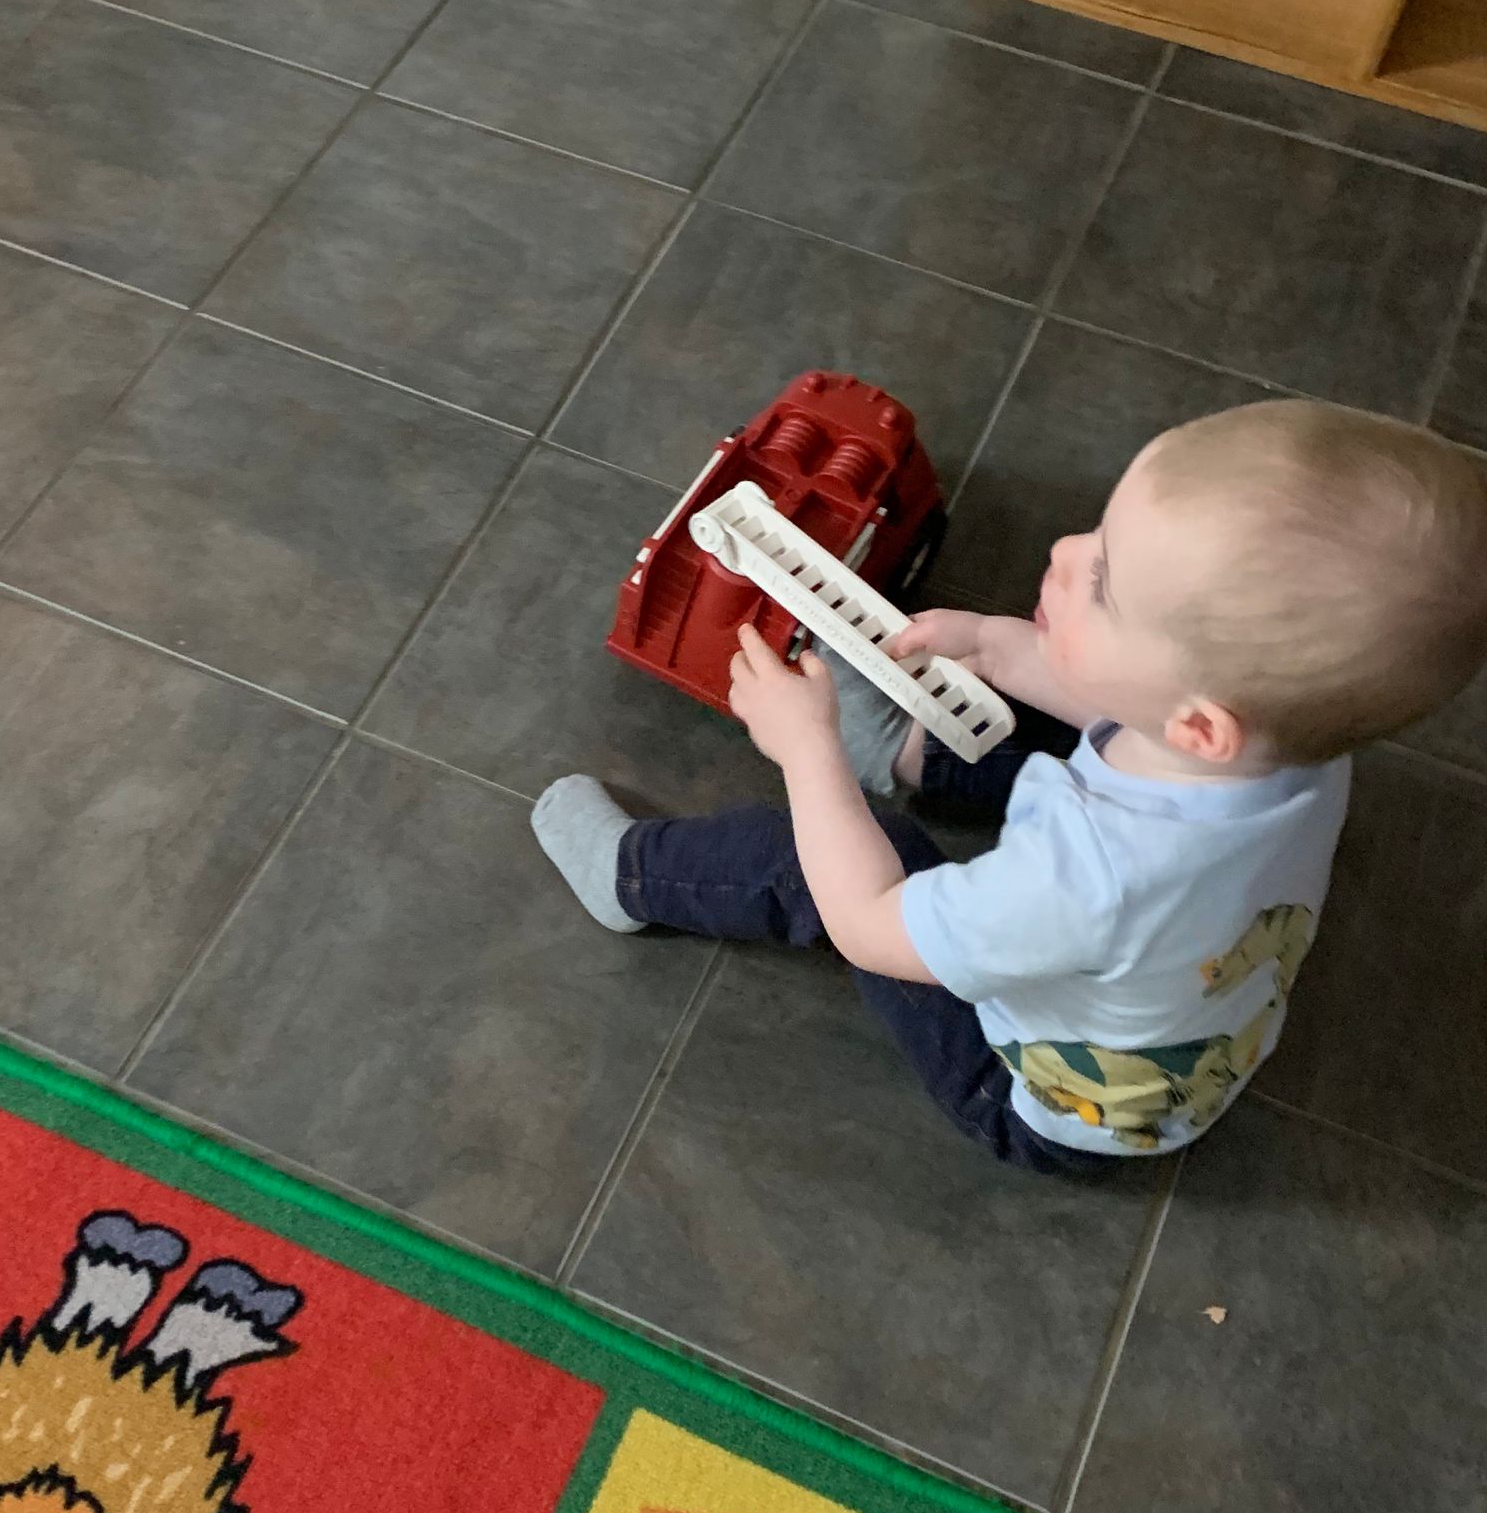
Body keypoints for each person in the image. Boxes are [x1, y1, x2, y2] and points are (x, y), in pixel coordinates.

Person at [533, 400, 1487, 1175]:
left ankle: (633, 878)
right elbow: (1119, 703)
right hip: (1191, 1043)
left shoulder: (1090, 876)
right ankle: (916, 752)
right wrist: (998, 646)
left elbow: (871, 924)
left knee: (844, 857)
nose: (1067, 552)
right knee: (1069, 724)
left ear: (1199, 723)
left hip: (1037, 1100)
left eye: (1104, 581)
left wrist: (805, 747)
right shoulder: (1296, 745)